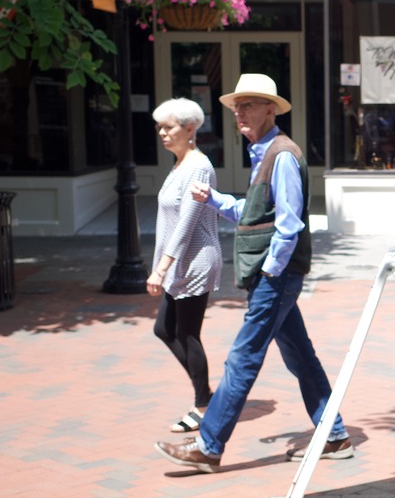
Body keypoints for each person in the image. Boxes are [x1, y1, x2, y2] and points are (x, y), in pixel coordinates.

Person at [154, 72, 352, 473]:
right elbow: (256, 212)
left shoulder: (280, 154)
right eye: (236, 107)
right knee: (300, 355)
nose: (239, 113)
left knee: (243, 357)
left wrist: (271, 271)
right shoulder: (265, 153)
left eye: (248, 105)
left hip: (274, 276)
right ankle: (335, 435)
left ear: (270, 109)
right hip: (271, 275)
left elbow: (290, 224)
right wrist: (215, 200)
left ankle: (209, 445)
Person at [147, 99, 222, 433]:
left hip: (194, 262)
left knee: (187, 333)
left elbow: (186, 224)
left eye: (169, 127)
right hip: (177, 264)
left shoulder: (198, 167)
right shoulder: (179, 164)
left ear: (191, 129)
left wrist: (161, 269)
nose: (163, 133)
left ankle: (203, 405)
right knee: (164, 329)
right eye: (160, 127)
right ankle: (205, 393)